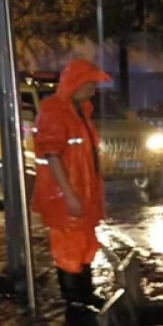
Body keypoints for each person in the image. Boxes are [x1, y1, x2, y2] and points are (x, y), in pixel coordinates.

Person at [31, 58, 110, 308]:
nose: (93, 91)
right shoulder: (55, 112)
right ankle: (75, 301)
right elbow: (52, 155)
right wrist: (69, 195)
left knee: (84, 244)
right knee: (69, 249)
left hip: (81, 192)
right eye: (90, 85)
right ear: (75, 85)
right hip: (65, 196)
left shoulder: (80, 111)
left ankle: (84, 295)